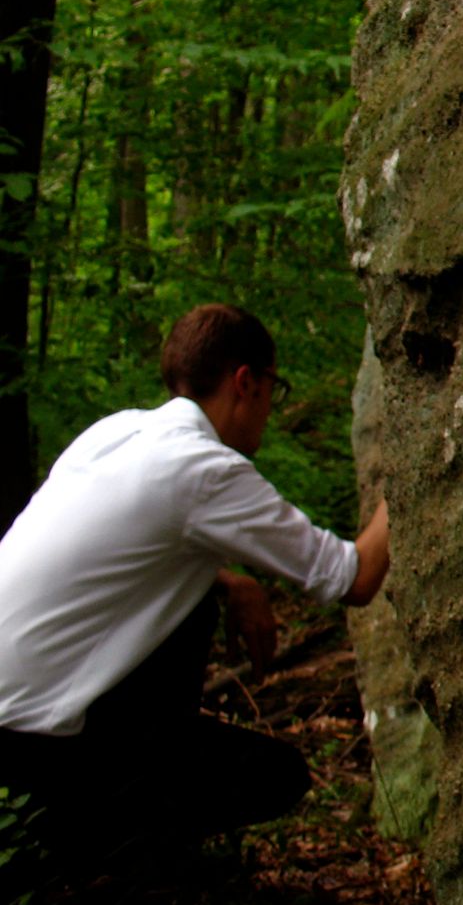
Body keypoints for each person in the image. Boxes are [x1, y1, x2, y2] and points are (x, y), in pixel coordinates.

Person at [0, 304, 390, 866]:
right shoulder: (204, 469)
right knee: (274, 776)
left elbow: (133, 551)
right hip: (40, 758)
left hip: (12, 735)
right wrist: (415, 465)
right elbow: (353, 577)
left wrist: (232, 582)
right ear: (245, 382)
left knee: (197, 597)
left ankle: (97, 835)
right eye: (272, 389)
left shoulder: (113, 433)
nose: (269, 411)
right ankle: (101, 856)